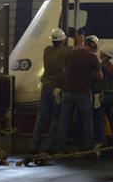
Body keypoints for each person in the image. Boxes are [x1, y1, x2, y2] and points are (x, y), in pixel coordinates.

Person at [49, 32, 101, 153]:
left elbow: (64, 70)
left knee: (64, 120)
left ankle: (59, 148)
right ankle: (88, 148)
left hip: (67, 91)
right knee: (87, 121)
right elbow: (100, 76)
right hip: (83, 92)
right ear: (93, 47)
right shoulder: (92, 57)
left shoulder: (71, 54)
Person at [28, 28, 69, 156]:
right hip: (57, 88)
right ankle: (49, 145)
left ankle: (34, 144)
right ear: (63, 40)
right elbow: (73, 52)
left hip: (45, 87)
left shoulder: (47, 50)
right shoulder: (65, 52)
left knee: (42, 117)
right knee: (55, 117)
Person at [93, 41, 113, 145]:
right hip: (112, 97)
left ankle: (102, 142)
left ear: (104, 54)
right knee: (112, 118)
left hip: (101, 97)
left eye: (101, 52)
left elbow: (95, 81)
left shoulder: (99, 67)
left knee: (99, 119)